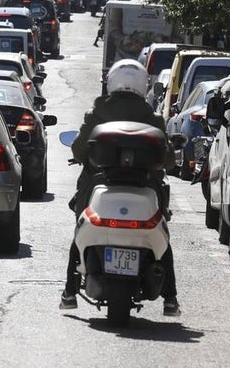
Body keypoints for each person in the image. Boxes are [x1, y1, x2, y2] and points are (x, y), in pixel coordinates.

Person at [60, 59, 181, 316]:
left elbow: (79, 150)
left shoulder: (97, 113)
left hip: (100, 185)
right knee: (162, 238)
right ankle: (170, 299)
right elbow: (168, 159)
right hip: (146, 186)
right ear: (142, 85)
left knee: (82, 231)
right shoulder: (153, 117)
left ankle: (70, 291)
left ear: (112, 82)